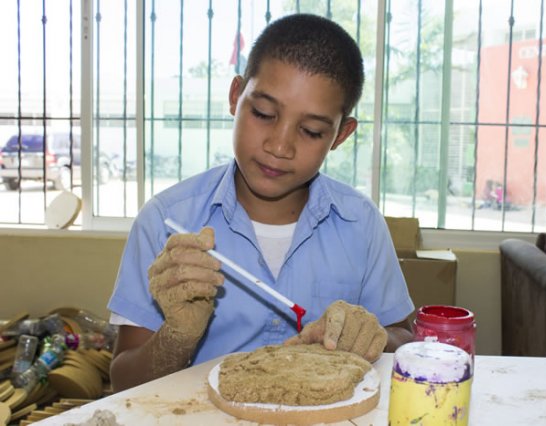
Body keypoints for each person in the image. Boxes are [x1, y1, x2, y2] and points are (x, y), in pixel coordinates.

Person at [108, 13, 415, 392]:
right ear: (236, 97)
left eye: (311, 131)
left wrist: (375, 337)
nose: (279, 146)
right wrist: (178, 336)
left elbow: (404, 339)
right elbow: (122, 382)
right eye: (264, 114)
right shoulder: (166, 220)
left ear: (341, 135)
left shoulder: (361, 223)